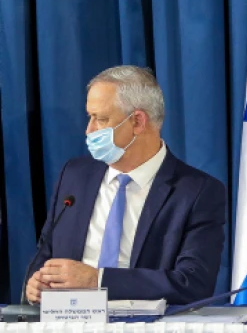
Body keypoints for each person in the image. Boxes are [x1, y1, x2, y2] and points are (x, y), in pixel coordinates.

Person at [25, 66, 226, 304]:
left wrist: (97, 280)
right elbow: (45, 252)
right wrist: (36, 282)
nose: (89, 130)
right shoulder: (75, 176)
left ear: (138, 122)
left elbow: (193, 284)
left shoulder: (197, 192)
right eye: (90, 117)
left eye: (100, 119)